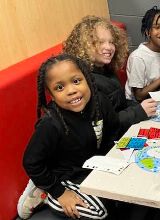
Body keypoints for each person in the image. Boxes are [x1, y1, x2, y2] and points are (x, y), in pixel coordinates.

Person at [17, 55, 125, 219]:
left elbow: (113, 130)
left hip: (92, 168)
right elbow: (31, 162)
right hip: (65, 177)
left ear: (87, 79)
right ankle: (44, 193)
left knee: (127, 193)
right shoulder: (50, 124)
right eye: (60, 87)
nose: (71, 90)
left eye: (76, 81)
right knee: (99, 212)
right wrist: (59, 192)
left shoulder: (100, 101)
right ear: (51, 95)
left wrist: (108, 162)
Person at [62, 15, 157, 130]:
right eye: (100, 42)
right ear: (84, 46)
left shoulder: (105, 69)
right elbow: (102, 126)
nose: (109, 47)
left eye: (111, 42)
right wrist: (138, 112)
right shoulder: (84, 81)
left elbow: (119, 105)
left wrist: (141, 107)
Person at [125, 6, 160, 102]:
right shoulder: (138, 57)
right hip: (136, 104)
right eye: (157, 27)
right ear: (148, 32)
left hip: (156, 95)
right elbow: (138, 96)